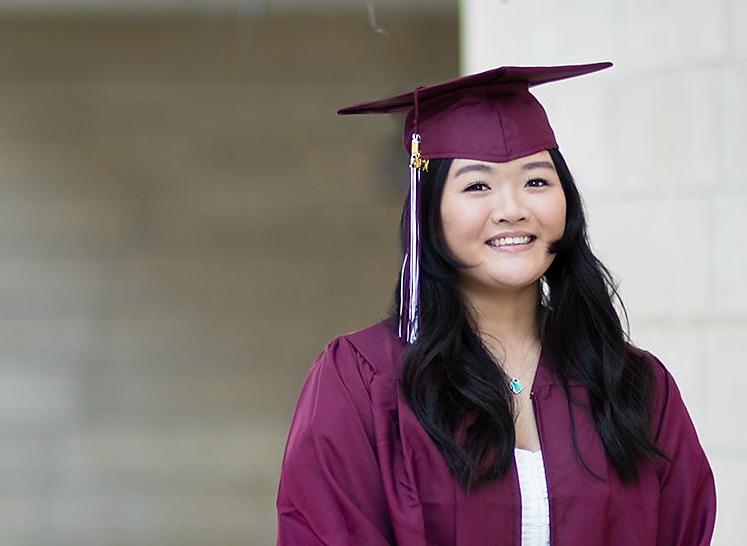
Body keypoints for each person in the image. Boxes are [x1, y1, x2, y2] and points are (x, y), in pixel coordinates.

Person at [276, 64, 715, 546]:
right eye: (477, 186)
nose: (512, 208)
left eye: (536, 182)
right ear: (429, 210)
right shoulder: (363, 380)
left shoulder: (634, 386)